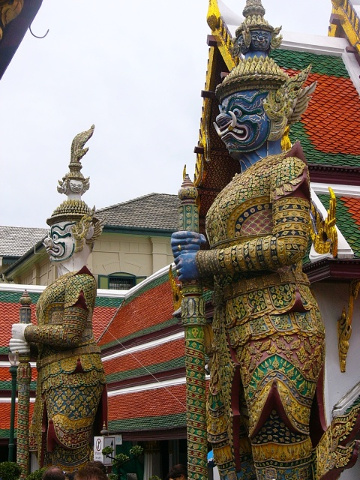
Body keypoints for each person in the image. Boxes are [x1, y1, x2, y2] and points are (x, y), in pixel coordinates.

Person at [171, 2, 325, 479]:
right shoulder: (227, 193)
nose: (224, 123)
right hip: (231, 329)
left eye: (240, 109)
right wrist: (197, 251)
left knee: (279, 448)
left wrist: (207, 262)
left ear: (276, 107)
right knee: (233, 456)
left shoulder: (287, 167)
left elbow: (290, 246)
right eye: (222, 112)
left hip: (282, 321)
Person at [9, 126, 106, 471]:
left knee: (71, 455)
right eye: (50, 234)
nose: (51, 242)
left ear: (82, 235)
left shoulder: (82, 283)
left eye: (60, 233)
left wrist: (29, 334)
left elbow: (69, 334)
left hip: (76, 371)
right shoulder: (54, 287)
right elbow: (53, 339)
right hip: (53, 373)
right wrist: (28, 350)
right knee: (50, 456)